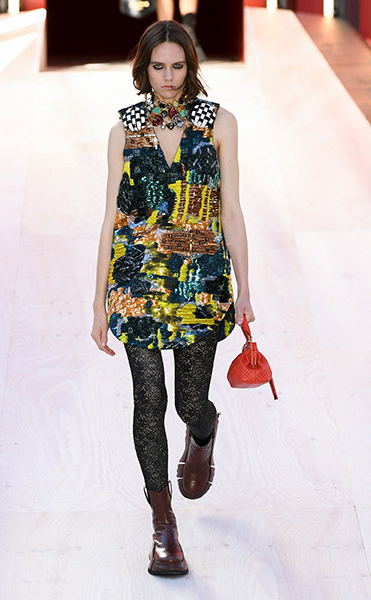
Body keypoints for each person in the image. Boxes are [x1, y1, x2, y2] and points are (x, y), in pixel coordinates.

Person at [91, 20, 254, 577]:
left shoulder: (220, 123)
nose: (167, 77)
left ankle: (203, 431)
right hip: (137, 283)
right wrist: (98, 303)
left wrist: (245, 289)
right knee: (148, 401)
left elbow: (231, 210)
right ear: (144, 69)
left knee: (188, 403)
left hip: (199, 283)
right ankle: (164, 526)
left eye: (177, 66)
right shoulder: (124, 128)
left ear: (191, 67)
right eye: (158, 67)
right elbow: (111, 219)